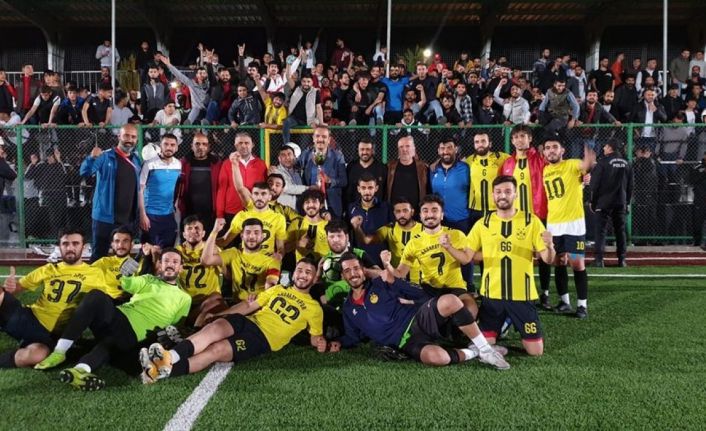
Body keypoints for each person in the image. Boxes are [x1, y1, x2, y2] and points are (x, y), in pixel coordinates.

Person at [138, 258, 325, 382]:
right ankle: (169, 357)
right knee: (213, 328)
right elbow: (249, 306)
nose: (302, 275)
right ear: (294, 272)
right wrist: (220, 315)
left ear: (315, 277)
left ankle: (162, 371)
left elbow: (315, 336)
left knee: (216, 350)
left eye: (308, 272)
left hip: (263, 339)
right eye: (300, 270)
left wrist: (321, 342)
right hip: (248, 321)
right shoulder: (278, 290)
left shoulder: (314, 308)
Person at [34, 248, 191, 391]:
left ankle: (78, 367)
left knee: (109, 344)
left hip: (136, 336)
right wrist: (126, 274)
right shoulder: (149, 279)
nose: (170, 265)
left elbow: (175, 327)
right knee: (96, 297)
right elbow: (128, 284)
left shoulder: (184, 298)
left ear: (180, 268)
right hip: (118, 319)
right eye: (166, 261)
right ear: (160, 265)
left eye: (175, 262)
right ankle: (64, 356)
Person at [335, 252, 509, 369]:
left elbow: (420, 293)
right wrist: (333, 343)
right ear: (343, 276)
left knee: (450, 301)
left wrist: (394, 281)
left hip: (417, 318)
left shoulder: (380, 283)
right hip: (405, 343)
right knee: (437, 358)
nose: (353, 274)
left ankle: (486, 350)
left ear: (363, 270)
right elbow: (352, 337)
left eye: (356, 268)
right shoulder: (348, 308)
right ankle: (476, 352)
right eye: (347, 271)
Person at [466, 176, 555, 356]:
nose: (502, 196)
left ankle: (508, 320)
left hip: (522, 295)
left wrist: (550, 246)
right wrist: (492, 253)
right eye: (498, 192)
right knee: (486, 345)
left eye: (507, 191)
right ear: (493, 195)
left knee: (535, 351)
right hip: (492, 295)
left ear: (516, 194)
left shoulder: (531, 221)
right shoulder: (483, 223)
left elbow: (548, 259)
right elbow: (469, 255)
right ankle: (504, 322)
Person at [0, 228, 106, 369]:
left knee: (37, 355)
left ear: (84, 247)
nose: (70, 248)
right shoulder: (49, 269)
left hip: (53, 336)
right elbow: (16, 288)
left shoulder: (95, 274)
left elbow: (106, 303)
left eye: (75, 243)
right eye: (65, 244)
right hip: (29, 319)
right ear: (59, 247)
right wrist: (11, 287)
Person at [391, 194, 477, 317]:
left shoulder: (456, 234)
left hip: (456, 287)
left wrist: (449, 247)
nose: (430, 214)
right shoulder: (414, 242)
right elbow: (400, 273)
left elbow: (466, 260)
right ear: (420, 216)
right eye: (425, 211)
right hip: (429, 289)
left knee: (470, 310)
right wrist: (387, 264)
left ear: (442, 215)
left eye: (435, 210)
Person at [500, 125, 552, 308]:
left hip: (538, 216)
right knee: (518, 255)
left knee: (543, 255)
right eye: (516, 137)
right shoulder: (507, 163)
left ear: (530, 139)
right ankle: (520, 290)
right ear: (512, 140)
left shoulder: (541, 159)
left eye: (523, 136)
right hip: (515, 219)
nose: (519, 140)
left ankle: (545, 293)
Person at [543, 137, 595, 319]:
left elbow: (586, 167)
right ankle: (564, 302)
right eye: (548, 148)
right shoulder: (545, 170)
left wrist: (588, 159)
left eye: (555, 147)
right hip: (553, 225)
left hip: (574, 224)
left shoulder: (572, 164)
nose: (551, 150)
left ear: (562, 150)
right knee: (558, 262)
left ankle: (582, 305)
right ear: (544, 152)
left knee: (577, 263)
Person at [80, 124, 142, 261]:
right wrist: (91, 158)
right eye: (126, 135)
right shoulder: (105, 156)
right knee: (99, 256)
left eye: (133, 137)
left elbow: (139, 188)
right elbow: (85, 172)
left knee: (123, 258)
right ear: (119, 136)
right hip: (104, 218)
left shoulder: (136, 160)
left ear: (137, 140)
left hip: (127, 219)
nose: (129, 139)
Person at [202, 218, 280, 318]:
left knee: (213, 316)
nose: (252, 236)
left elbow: (271, 283)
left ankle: (216, 317)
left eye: (256, 233)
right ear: (242, 236)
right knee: (212, 301)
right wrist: (215, 231)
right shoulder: (234, 253)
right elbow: (206, 260)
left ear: (262, 237)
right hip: (235, 303)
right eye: (248, 232)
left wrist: (262, 294)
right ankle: (191, 325)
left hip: (256, 307)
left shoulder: (271, 261)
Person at [429, 137, 474, 292]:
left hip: (461, 219)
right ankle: (445, 285)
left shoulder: (466, 168)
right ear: (438, 151)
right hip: (441, 221)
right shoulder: (433, 170)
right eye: (442, 148)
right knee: (442, 252)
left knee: (464, 253)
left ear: (456, 149)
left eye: (449, 147)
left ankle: (468, 285)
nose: (445, 151)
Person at [220, 153, 287, 255]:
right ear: (252, 195)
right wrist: (235, 165)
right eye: (256, 194)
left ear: (269, 196)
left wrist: (279, 256)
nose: (259, 197)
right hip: (246, 261)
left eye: (263, 194)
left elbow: (281, 248)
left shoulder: (279, 217)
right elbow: (240, 188)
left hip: (266, 261)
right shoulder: (243, 215)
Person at [353, 197, 423, 284]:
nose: (402, 215)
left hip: (420, 280)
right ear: (394, 213)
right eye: (398, 211)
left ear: (412, 212)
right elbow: (366, 240)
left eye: (405, 211)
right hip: (396, 279)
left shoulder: (424, 229)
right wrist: (357, 227)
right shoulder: (389, 229)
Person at [590, 139, 633, 267]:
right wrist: (627, 202)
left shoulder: (603, 162)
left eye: (605, 146)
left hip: (604, 201)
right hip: (621, 201)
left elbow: (595, 184)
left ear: (610, 148)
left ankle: (599, 260)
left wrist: (593, 201)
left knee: (601, 231)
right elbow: (630, 186)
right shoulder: (627, 163)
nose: (603, 148)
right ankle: (622, 260)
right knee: (620, 231)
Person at [174, 216, 223, 324]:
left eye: (197, 228)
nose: (193, 231)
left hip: (207, 299)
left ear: (203, 233)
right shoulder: (177, 252)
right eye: (189, 228)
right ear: (184, 234)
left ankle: (187, 322)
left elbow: (226, 274)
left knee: (217, 298)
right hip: (184, 300)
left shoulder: (213, 250)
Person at [216, 133, 267, 232]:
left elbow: (265, 190)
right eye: (240, 143)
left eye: (247, 143)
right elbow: (221, 190)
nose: (243, 146)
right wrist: (220, 215)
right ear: (235, 145)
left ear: (252, 145)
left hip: (254, 211)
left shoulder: (261, 164)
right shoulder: (227, 164)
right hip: (232, 212)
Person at [139, 133, 181, 248]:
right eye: (166, 144)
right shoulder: (149, 164)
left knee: (167, 251)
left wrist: (175, 209)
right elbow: (140, 190)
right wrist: (142, 215)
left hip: (168, 216)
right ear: (160, 146)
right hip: (150, 215)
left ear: (176, 147)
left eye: (172, 145)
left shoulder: (178, 165)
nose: (169, 147)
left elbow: (176, 189)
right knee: (148, 252)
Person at [178, 132, 222, 233]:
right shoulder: (183, 163)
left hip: (210, 212)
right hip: (188, 212)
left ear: (209, 147)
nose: (200, 147)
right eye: (197, 144)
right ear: (192, 146)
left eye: (204, 144)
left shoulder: (217, 163)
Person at [299, 125, 347, 217]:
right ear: (313, 138)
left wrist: (329, 181)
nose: (320, 139)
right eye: (317, 136)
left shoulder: (338, 156)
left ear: (329, 140)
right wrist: (276, 168)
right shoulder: (306, 155)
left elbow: (344, 181)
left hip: (332, 205)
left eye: (324, 136)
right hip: (311, 206)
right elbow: (292, 165)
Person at [349, 173, 392, 266]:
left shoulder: (386, 207)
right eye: (363, 188)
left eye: (370, 188)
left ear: (376, 188)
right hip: (359, 258)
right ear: (358, 189)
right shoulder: (352, 208)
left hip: (381, 258)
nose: (367, 192)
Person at [90, 226, 139, 302]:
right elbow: (86, 273)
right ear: (112, 245)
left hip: (130, 302)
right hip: (107, 302)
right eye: (117, 241)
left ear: (131, 244)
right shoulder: (103, 262)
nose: (120, 245)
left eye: (125, 241)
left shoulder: (137, 264)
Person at [386, 136, 429, 211]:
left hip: (417, 212)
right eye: (401, 147)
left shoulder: (424, 168)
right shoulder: (389, 168)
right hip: (395, 212)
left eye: (407, 146)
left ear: (414, 149)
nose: (404, 149)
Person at [287, 188, 330, 262]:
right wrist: (298, 243)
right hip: (302, 267)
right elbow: (283, 248)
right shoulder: (296, 224)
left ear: (321, 205)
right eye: (307, 202)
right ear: (302, 206)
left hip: (324, 267)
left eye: (314, 202)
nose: (310, 205)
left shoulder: (329, 225)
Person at [345, 138, 387, 207]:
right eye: (362, 149)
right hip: (355, 209)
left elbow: (385, 191)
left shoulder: (381, 168)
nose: (364, 152)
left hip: (377, 209)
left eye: (368, 149)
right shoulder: (351, 167)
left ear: (372, 151)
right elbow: (346, 191)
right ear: (358, 150)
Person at [269, 143, 308, 210]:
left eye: (289, 154)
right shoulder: (275, 172)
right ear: (279, 159)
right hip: (286, 210)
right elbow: (286, 187)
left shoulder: (298, 171)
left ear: (294, 156)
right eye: (283, 155)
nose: (287, 157)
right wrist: (308, 188)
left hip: (302, 208)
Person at [687, 151, 706, 248]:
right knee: (697, 221)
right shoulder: (697, 168)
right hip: (700, 199)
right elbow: (692, 180)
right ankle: (697, 241)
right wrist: (704, 172)